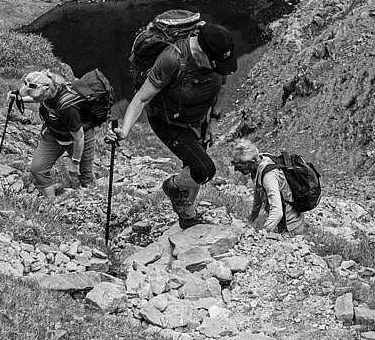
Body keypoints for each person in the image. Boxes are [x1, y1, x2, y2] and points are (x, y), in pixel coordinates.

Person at [108, 23, 236, 229]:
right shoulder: (173, 59)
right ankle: (172, 186)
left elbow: (222, 88)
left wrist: (213, 121)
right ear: (202, 53)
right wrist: (123, 131)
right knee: (203, 170)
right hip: (169, 122)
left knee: (193, 169)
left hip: (199, 120)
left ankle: (188, 217)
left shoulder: (218, 57)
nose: (219, 70)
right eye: (215, 65)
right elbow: (141, 99)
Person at [17, 70, 96, 201]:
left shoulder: (68, 107)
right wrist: (21, 98)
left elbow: (79, 137)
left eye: (37, 97)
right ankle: (52, 203)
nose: (36, 100)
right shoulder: (48, 92)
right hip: (55, 134)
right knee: (38, 169)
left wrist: (75, 162)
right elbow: (38, 98)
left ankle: (88, 201)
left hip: (78, 139)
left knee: (85, 175)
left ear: (46, 90)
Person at [227, 139, 305, 234]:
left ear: (251, 162)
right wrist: (251, 219)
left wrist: (263, 232)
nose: (236, 170)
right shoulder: (259, 162)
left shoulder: (269, 176)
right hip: (283, 223)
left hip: (290, 227)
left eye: (239, 166)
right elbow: (258, 194)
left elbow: (277, 212)